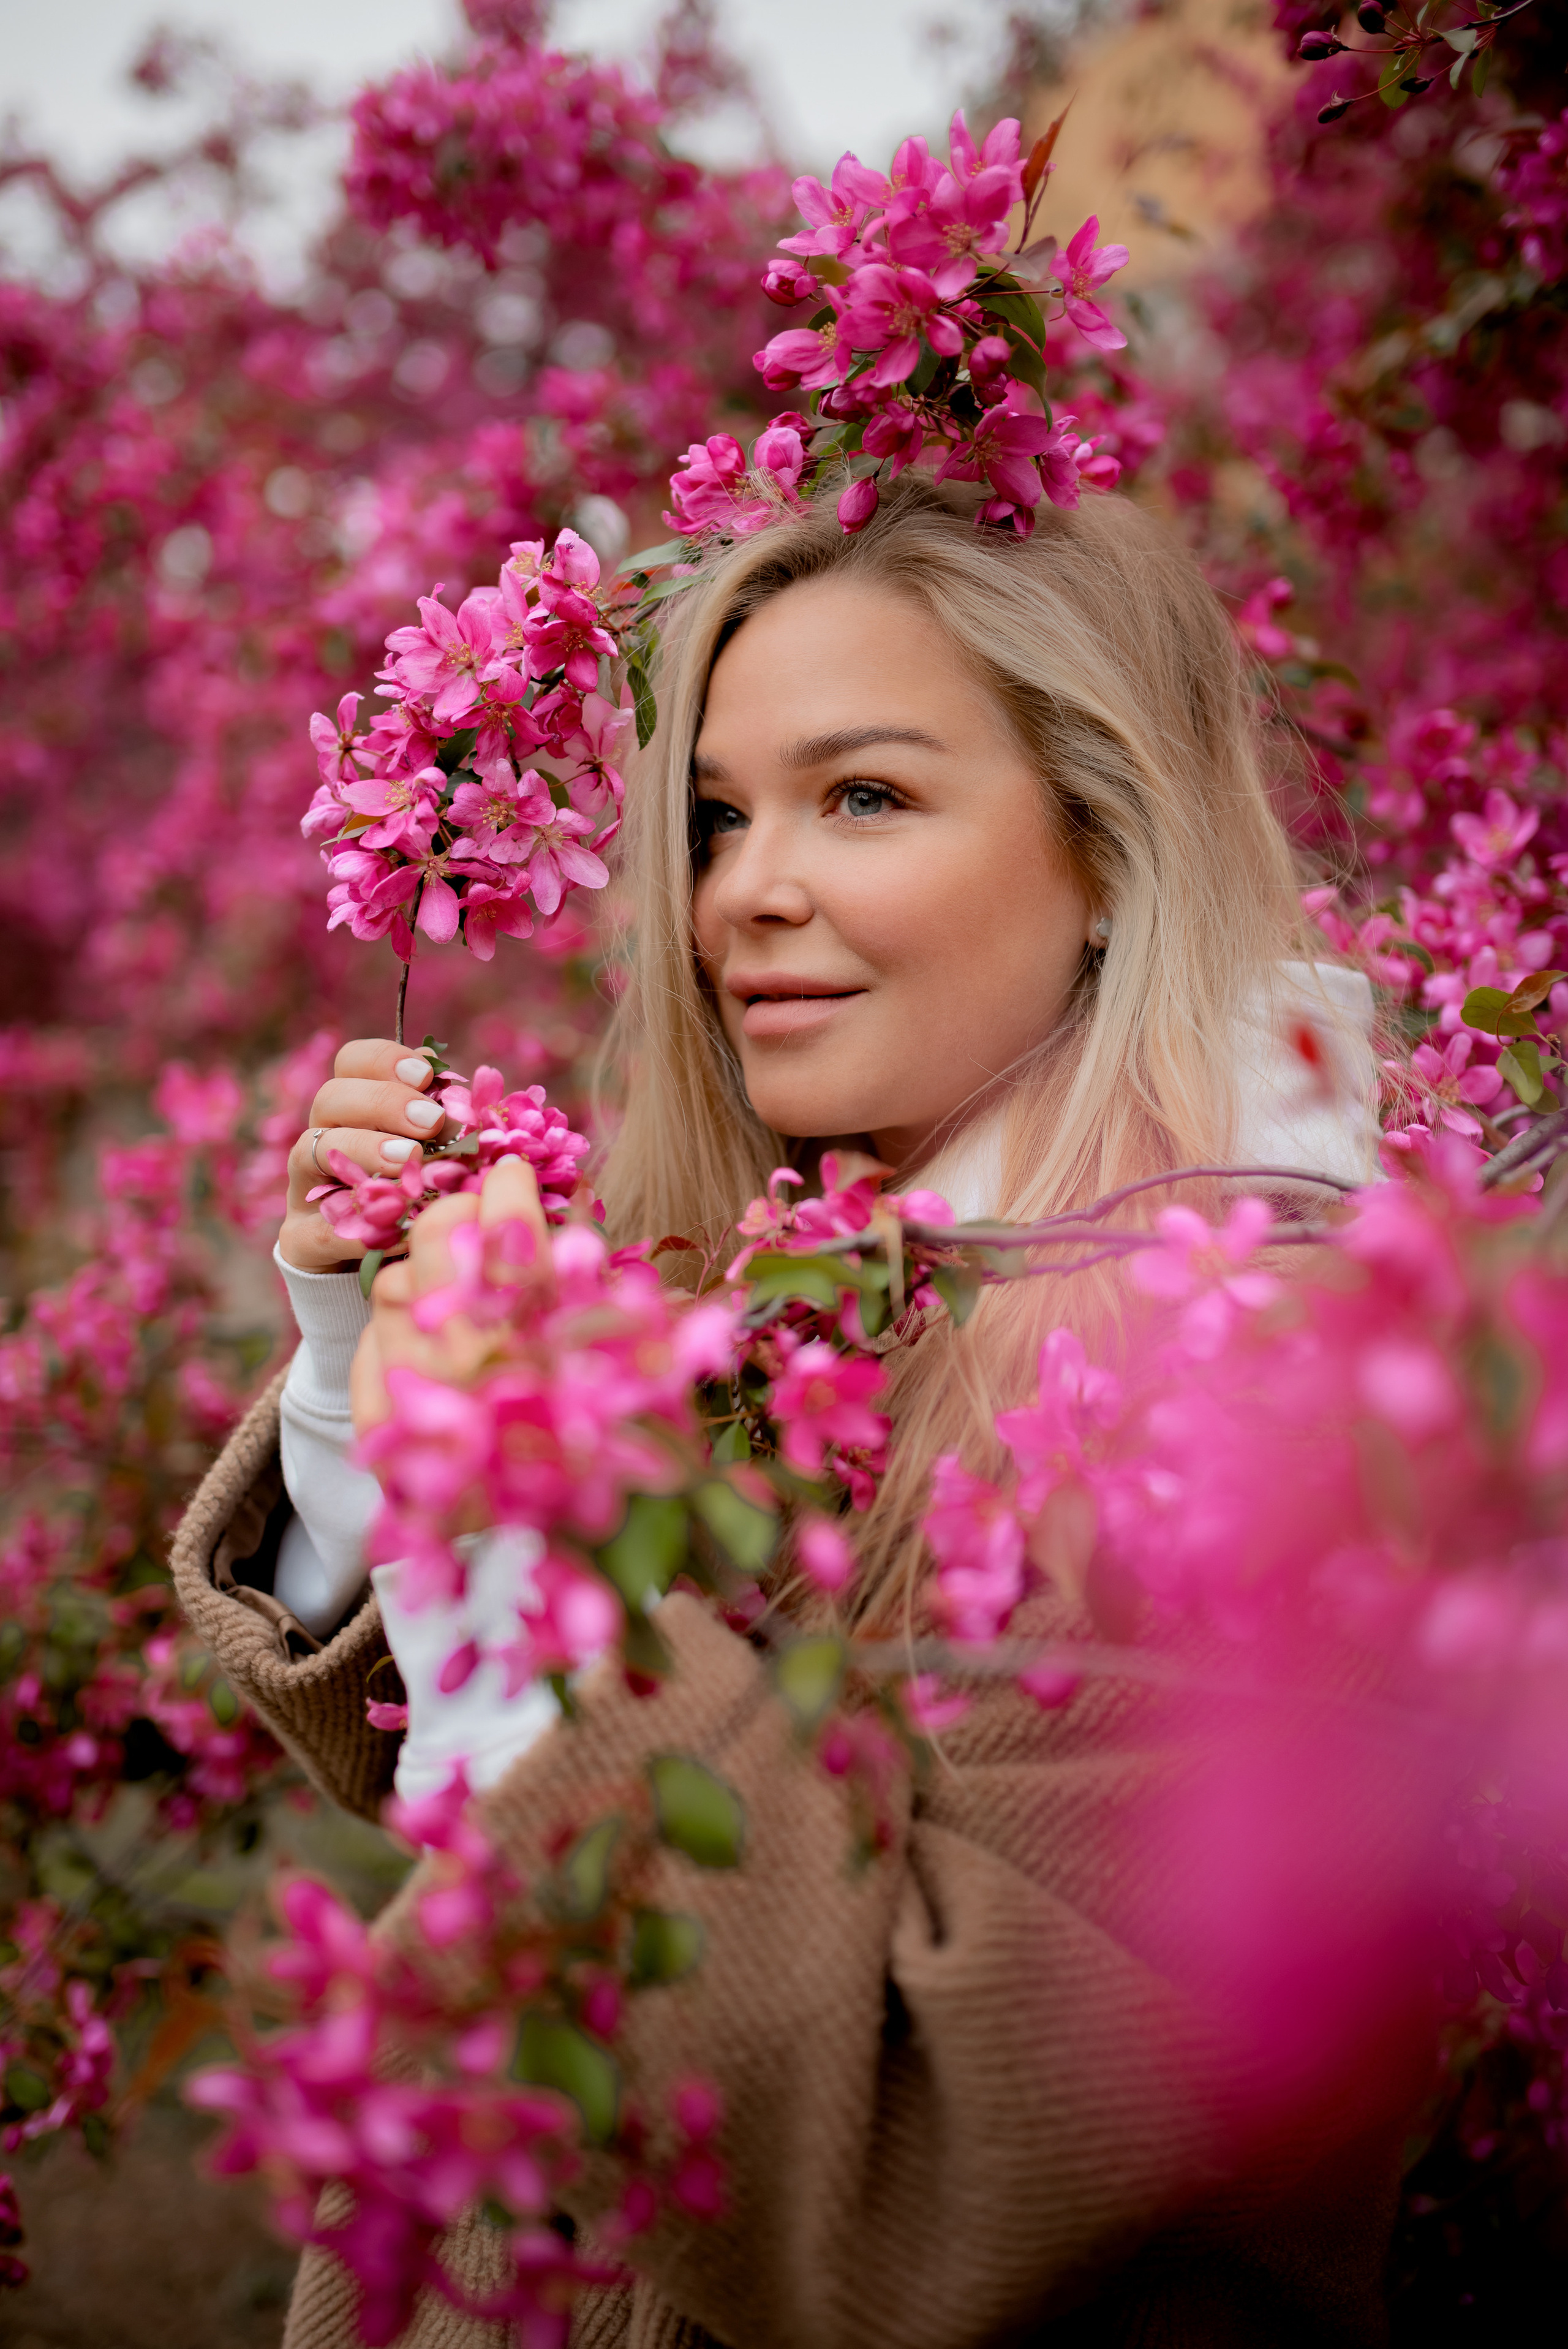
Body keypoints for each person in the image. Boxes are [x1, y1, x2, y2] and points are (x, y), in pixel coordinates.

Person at [173, 477, 1417, 2348]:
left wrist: (533, 1521)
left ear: (1102, 851)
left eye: (867, 795)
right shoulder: (798, 1278)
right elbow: (492, 1789)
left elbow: (928, 2160)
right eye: (712, 815)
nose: (745, 889)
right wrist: (368, 1376)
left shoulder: (1258, 1410)